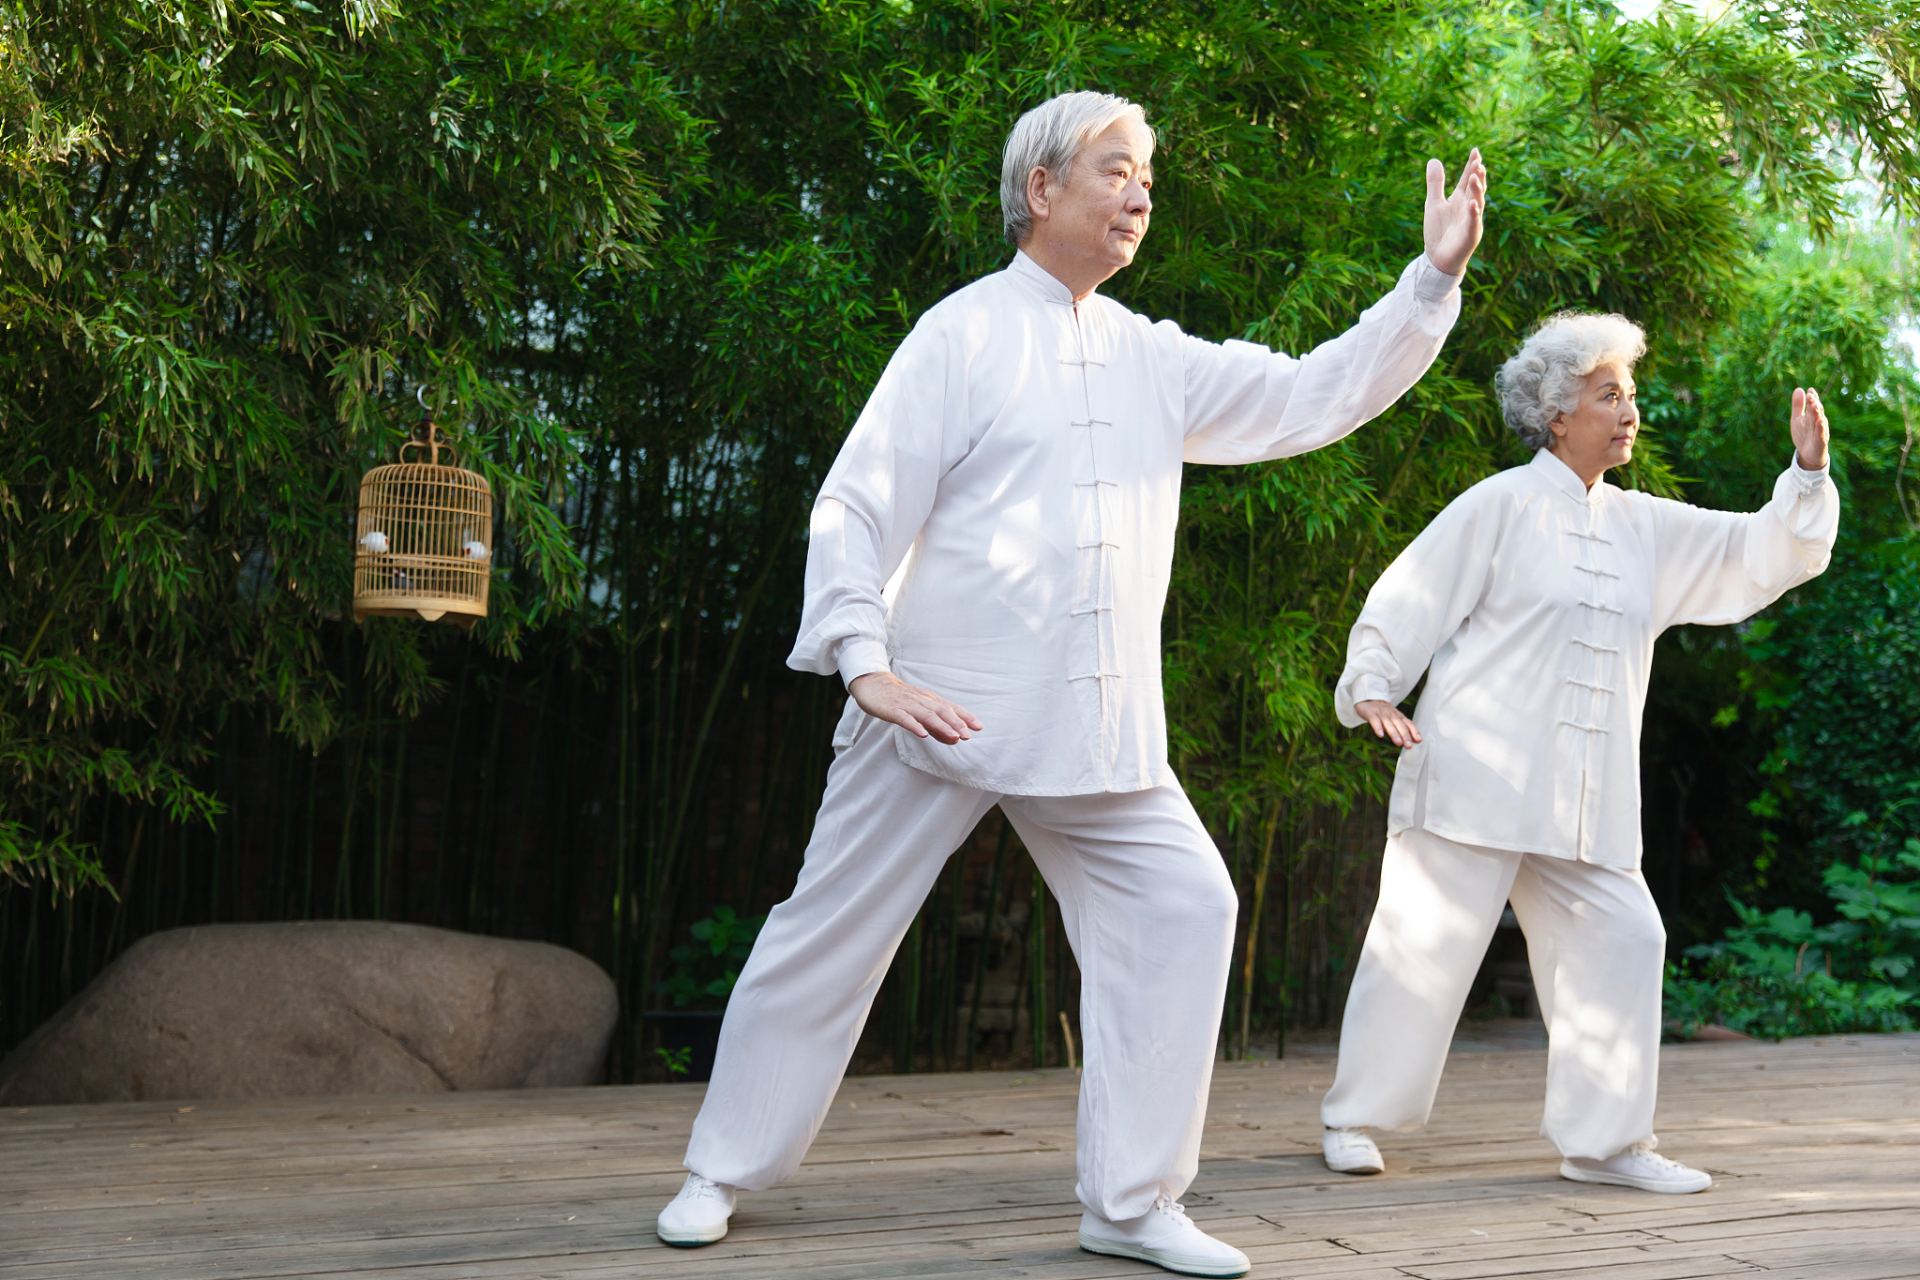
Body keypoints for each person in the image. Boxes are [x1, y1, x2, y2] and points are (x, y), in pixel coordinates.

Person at [655, 88, 1487, 1278]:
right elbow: (856, 499)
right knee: (826, 935)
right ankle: (718, 1167)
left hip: (1094, 725)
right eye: (1115, 167)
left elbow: (1313, 395)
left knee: (1186, 906)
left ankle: (1133, 1201)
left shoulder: (1153, 354)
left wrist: (1430, 285)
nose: (1141, 190)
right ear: (1041, 189)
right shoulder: (960, 334)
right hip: (933, 707)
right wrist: (868, 661)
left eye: (1148, 172)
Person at [1318, 311, 1838, 1193]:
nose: (1629, 411)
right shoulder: (1497, 505)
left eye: (1630, 394)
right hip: (1475, 781)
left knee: (1628, 939)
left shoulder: (1645, 527)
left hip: (1587, 796)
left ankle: (1605, 1146)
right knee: (1419, 954)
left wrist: (1807, 473)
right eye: (1609, 395)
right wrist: (1373, 683)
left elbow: (1756, 551)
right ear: (1558, 414)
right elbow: (1412, 592)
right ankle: (1354, 1119)